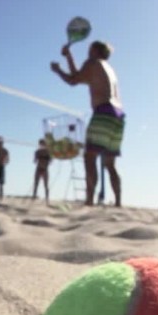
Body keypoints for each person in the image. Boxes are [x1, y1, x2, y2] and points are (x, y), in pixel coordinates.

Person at [51, 40, 125, 207]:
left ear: (95, 51)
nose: (87, 52)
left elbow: (73, 79)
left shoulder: (93, 62)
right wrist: (69, 55)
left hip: (103, 112)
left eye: (89, 49)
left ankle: (89, 201)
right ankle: (118, 203)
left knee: (89, 157)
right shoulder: (108, 68)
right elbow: (80, 76)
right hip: (118, 116)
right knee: (110, 164)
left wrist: (57, 70)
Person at [32, 139, 51, 203]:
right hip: (38, 168)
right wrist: (38, 158)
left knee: (46, 184)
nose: (41, 145)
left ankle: (47, 198)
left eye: (43, 144)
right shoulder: (37, 152)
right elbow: (34, 161)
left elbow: (50, 161)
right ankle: (34, 197)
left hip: (45, 169)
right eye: (40, 144)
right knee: (36, 183)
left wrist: (45, 159)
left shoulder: (48, 152)